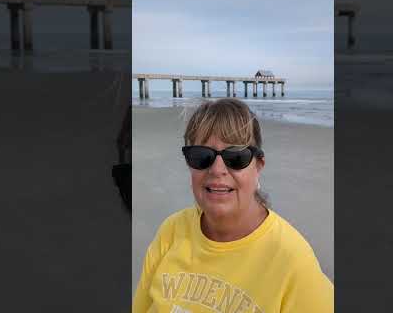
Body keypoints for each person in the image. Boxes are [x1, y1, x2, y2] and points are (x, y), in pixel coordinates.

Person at [133, 98, 333, 312]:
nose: (217, 170)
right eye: (202, 156)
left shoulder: (292, 260)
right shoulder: (171, 232)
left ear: (258, 166)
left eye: (236, 157)